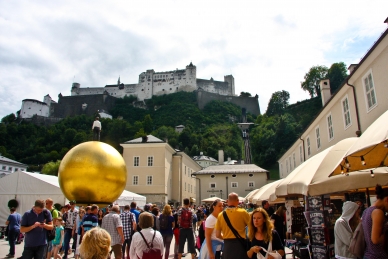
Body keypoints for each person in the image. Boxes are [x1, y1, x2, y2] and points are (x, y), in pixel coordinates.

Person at [215, 193, 250, 259]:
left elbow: (217, 235)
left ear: (227, 201)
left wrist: (226, 237)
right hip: (240, 245)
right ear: (238, 201)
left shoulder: (221, 215)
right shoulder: (243, 212)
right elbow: (251, 227)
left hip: (227, 245)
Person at [362, 184, 388, 258]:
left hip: (369, 254)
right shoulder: (378, 212)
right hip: (377, 256)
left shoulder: (366, 211)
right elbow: (375, 239)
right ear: (387, 199)